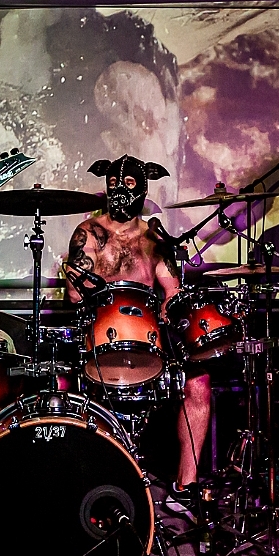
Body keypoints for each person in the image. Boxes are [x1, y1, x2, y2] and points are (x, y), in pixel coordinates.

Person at [62, 156, 210, 496]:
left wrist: (171, 306)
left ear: (143, 189)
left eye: (128, 184)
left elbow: (172, 290)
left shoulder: (152, 237)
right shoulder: (89, 232)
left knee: (199, 383)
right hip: (99, 337)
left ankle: (186, 485)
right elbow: (74, 294)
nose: (119, 190)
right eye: (114, 184)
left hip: (148, 337)